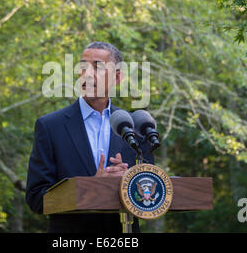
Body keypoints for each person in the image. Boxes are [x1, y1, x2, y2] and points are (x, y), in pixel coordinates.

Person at [25, 41, 154, 233]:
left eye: (97, 67)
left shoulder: (135, 126)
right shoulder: (50, 126)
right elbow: (36, 198)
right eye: (83, 66)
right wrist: (91, 187)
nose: (87, 73)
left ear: (117, 77)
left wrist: (129, 182)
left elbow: (151, 193)